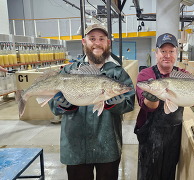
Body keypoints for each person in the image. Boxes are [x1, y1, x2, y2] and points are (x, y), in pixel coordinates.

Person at [49, 24, 135, 180]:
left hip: (107, 147)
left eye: (101, 39)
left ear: (108, 42)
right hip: (76, 148)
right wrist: (61, 105)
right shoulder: (69, 71)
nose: (97, 43)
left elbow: (130, 102)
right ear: (84, 42)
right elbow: (53, 105)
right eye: (92, 38)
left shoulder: (118, 73)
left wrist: (116, 104)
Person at [134, 33, 187, 180]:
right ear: (156, 53)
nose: (167, 55)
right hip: (149, 137)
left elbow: (191, 100)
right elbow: (148, 105)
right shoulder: (145, 75)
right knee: (148, 174)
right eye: (163, 51)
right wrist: (152, 97)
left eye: (171, 51)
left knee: (168, 174)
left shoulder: (183, 75)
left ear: (176, 53)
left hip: (173, 137)